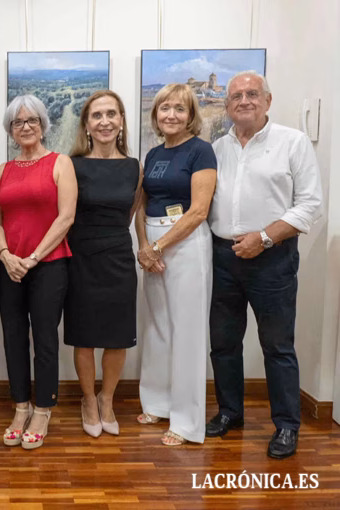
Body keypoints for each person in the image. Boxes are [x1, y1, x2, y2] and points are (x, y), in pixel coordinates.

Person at [206, 71, 322, 459]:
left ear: (268, 101)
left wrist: (265, 237)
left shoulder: (293, 142)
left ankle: (287, 425)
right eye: (236, 96)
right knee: (223, 343)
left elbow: (309, 206)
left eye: (252, 93)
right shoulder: (217, 148)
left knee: (276, 345)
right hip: (222, 257)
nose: (244, 101)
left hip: (273, 257)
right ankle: (229, 412)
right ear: (227, 106)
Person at [0, 94, 77, 450]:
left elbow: (66, 217)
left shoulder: (60, 163)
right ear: (10, 130)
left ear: (43, 125)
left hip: (49, 264)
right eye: (17, 122)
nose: (25, 127)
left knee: (44, 338)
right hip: (9, 265)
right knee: (13, 336)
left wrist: (34, 257)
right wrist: (6, 254)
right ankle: (20, 406)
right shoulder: (3, 170)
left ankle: (43, 409)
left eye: (32, 121)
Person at [135, 83, 217, 446]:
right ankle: (157, 402)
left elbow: (199, 210)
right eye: (165, 108)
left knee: (187, 331)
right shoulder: (152, 155)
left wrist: (158, 246)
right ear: (156, 115)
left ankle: (185, 422)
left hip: (185, 244)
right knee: (157, 327)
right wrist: (143, 246)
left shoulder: (201, 151)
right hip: (152, 243)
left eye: (179, 109)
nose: (171, 115)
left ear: (191, 116)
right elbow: (140, 204)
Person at [65, 90, 142, 438]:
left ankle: (107, 398)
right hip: (80, 258)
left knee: (117, 337)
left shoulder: (133, 167)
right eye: (97, 115)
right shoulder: (72, 165)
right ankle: (87, 400)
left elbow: (130, 213)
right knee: (84, 335)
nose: (105, 121)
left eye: (112, 114)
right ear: (87, 124)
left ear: (122, 120)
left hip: (118, 258)